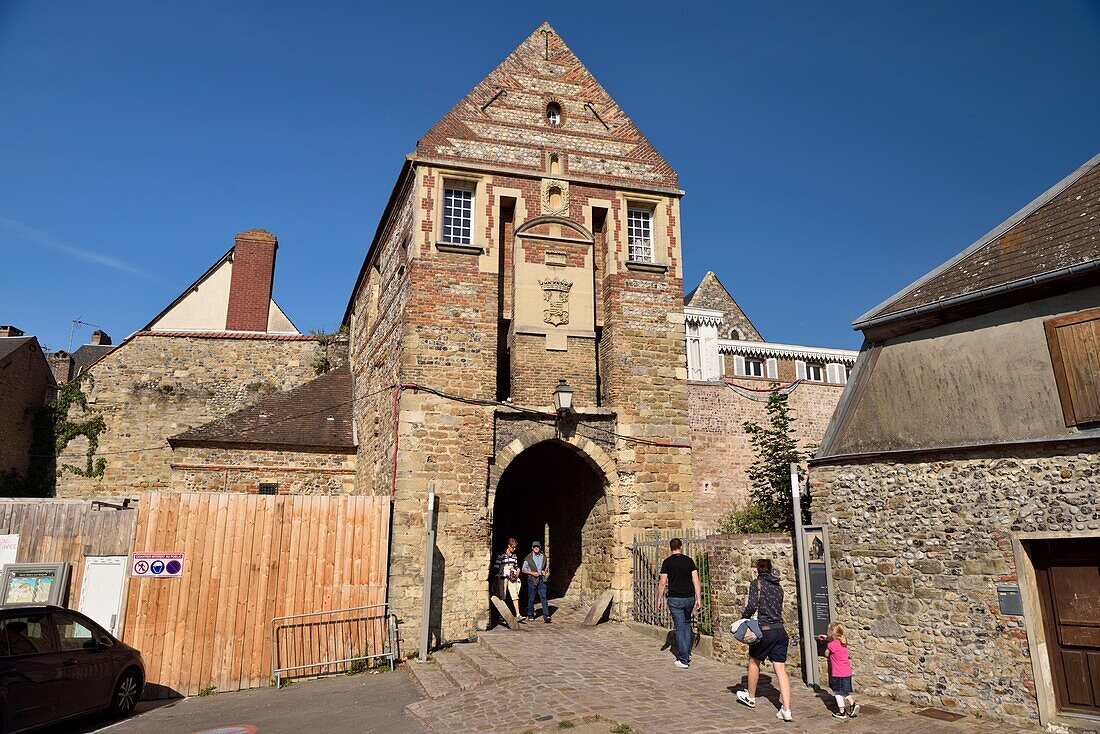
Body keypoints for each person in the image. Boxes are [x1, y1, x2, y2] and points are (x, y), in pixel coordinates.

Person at [736, 558, 793, 722]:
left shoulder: (756, 584)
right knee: (781, 670)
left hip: (765, 630)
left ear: (757, 570)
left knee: (754, 662)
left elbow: (753, 605)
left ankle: (751, 697)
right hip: (780, 631)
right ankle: (786, 709)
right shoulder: (778, 587)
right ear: (770, 569)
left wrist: (743, 618)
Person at [656, 538, 701, 669]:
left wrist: (659, 598)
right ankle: (687, 652)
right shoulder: (689, 561)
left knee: (680, 627)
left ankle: (684, 659)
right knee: (687, 624)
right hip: (689, 598)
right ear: (681, 547)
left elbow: (663, 582)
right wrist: (698, 598)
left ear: (671, 548)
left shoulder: (667, 562)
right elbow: (696, 581)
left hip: (675, 599)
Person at [818, 622, 859, 719]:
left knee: (837, 692)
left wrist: (827, 644)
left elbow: (827, 654)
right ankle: (852, 704)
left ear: (831, 633)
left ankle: (842, 711)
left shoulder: (831, 645)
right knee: (843, 691)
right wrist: (826, 638)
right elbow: (836, 641)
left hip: (838, 673)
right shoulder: (844, 642)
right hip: (846, 672)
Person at [494, 537, 525, 623]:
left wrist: (518, 570)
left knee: (515, 595)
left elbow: (516, 565)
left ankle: (518, 614)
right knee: (502, 595)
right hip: (503, 578)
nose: (514, 549)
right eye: (512, 547)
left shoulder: (514, 556)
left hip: (512, 578)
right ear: (508, 546)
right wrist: (497, 575)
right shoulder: (501, 555)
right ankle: (501, 615)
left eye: (515, 547)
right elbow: (496, 566)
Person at [521, 539, 550, 623]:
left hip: (541, 579)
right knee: (531, 598)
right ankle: (530, 614)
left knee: (543, 597)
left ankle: (546, 616)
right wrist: (532, 573)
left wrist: (545, 571)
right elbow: (523, 570)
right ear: (532, 548)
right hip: (532, 579)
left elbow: (546, 567)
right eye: (534, 547)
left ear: (540, 547)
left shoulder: (543, 556)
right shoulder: (528, 558)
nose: (536, 548)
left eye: (537, 546)